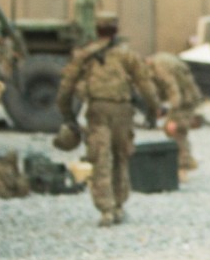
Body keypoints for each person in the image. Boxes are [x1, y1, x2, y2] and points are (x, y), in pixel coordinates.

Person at [56, 12, 159, 227]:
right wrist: (153, 110)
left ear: (96, 30)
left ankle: (106, 209)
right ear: (116, 30)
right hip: (123, 111)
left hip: (97, 111)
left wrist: (67, 114)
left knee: (100, 159)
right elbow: (145, 85)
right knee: (121, 157)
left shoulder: (84, 55)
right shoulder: (127, 56)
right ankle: (119, 205)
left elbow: (66, 86)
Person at [147, 51, 203, 176]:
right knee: (173, 129)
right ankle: (186, 161)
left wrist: (173, 113)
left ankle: (183, 166)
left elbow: (173, 88)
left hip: (184, 100)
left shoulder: (160, 66)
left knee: (174, 129)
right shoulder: (160, 61)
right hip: (186, 97)